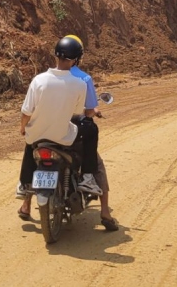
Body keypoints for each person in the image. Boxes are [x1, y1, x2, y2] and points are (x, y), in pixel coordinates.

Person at [15, 37, 89, 223]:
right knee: (82, 142)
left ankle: (24, 188)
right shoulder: (80, 84)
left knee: (30, 146)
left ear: (55, 55)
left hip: (37, 137)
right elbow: (77, 113)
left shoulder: (38, 81)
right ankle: (82, 179)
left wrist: (23, 128)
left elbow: (26, 112)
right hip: (62, 138)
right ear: (76, 60)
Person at [62, 34, 119, 231]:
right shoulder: (83, 78)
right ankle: (104, 211)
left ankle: (25, 201)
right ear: (79, 56)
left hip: (51, 130)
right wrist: (94, 111)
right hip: (75, 132)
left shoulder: (46, 78)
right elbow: (88, 110)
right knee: (98, 164)